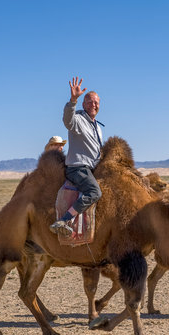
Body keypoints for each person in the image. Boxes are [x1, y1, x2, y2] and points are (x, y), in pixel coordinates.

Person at [50, 76, 103, 236]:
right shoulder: (79, 119)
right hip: (78, 168)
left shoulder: (97, 126)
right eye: (89, 101)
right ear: (83, 104)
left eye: (96, 102)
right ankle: (64, 220)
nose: (93, 104)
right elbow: (68, 120)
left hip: (91, 168)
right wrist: (72, 100)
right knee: (95, 192)